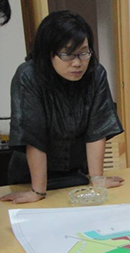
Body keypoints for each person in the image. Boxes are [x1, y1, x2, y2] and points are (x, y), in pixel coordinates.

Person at [1, 11, 123, 204]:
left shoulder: (95, 73)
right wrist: (37, 191)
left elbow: (97, 130)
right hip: (29, 178)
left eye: (84, 53)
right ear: (48, 52)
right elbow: (34, 137)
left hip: (75, 174)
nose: (77, 63)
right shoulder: (28, 76)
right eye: (67, 54)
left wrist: (97, 179)